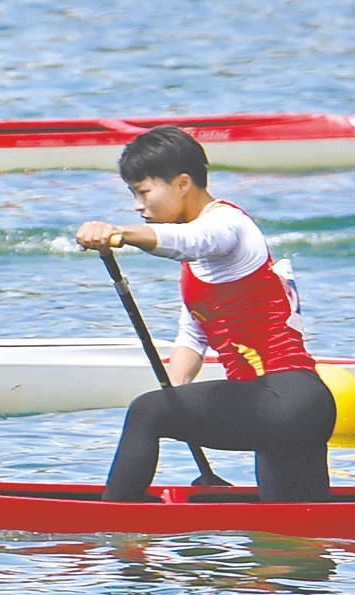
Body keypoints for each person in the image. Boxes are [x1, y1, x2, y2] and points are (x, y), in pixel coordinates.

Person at [75, 126, 334, 502]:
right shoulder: (201, 268)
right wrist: (175, 392)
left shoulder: (228, 224)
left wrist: (119, 234)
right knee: (292, 540)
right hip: (291, 409)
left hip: (281, 398)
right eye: (133, 194)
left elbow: (189, 242)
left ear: (182, 183)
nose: (137, 205)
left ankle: (109, 521)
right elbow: (192, 337)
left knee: (146, 413)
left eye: (144, 191)